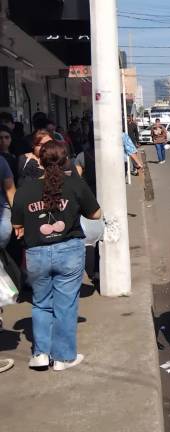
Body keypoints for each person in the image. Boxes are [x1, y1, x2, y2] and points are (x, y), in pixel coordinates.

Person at [11, 140, 101, 371]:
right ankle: (63, 357)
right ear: (66, 160)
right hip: (69, 250)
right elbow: (96, 214)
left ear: (40, 161)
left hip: (37, 253)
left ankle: (41, 354)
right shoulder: (75, 184)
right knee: (66, 305)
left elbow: (17, 224)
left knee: (41, 303)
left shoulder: (24, 191)